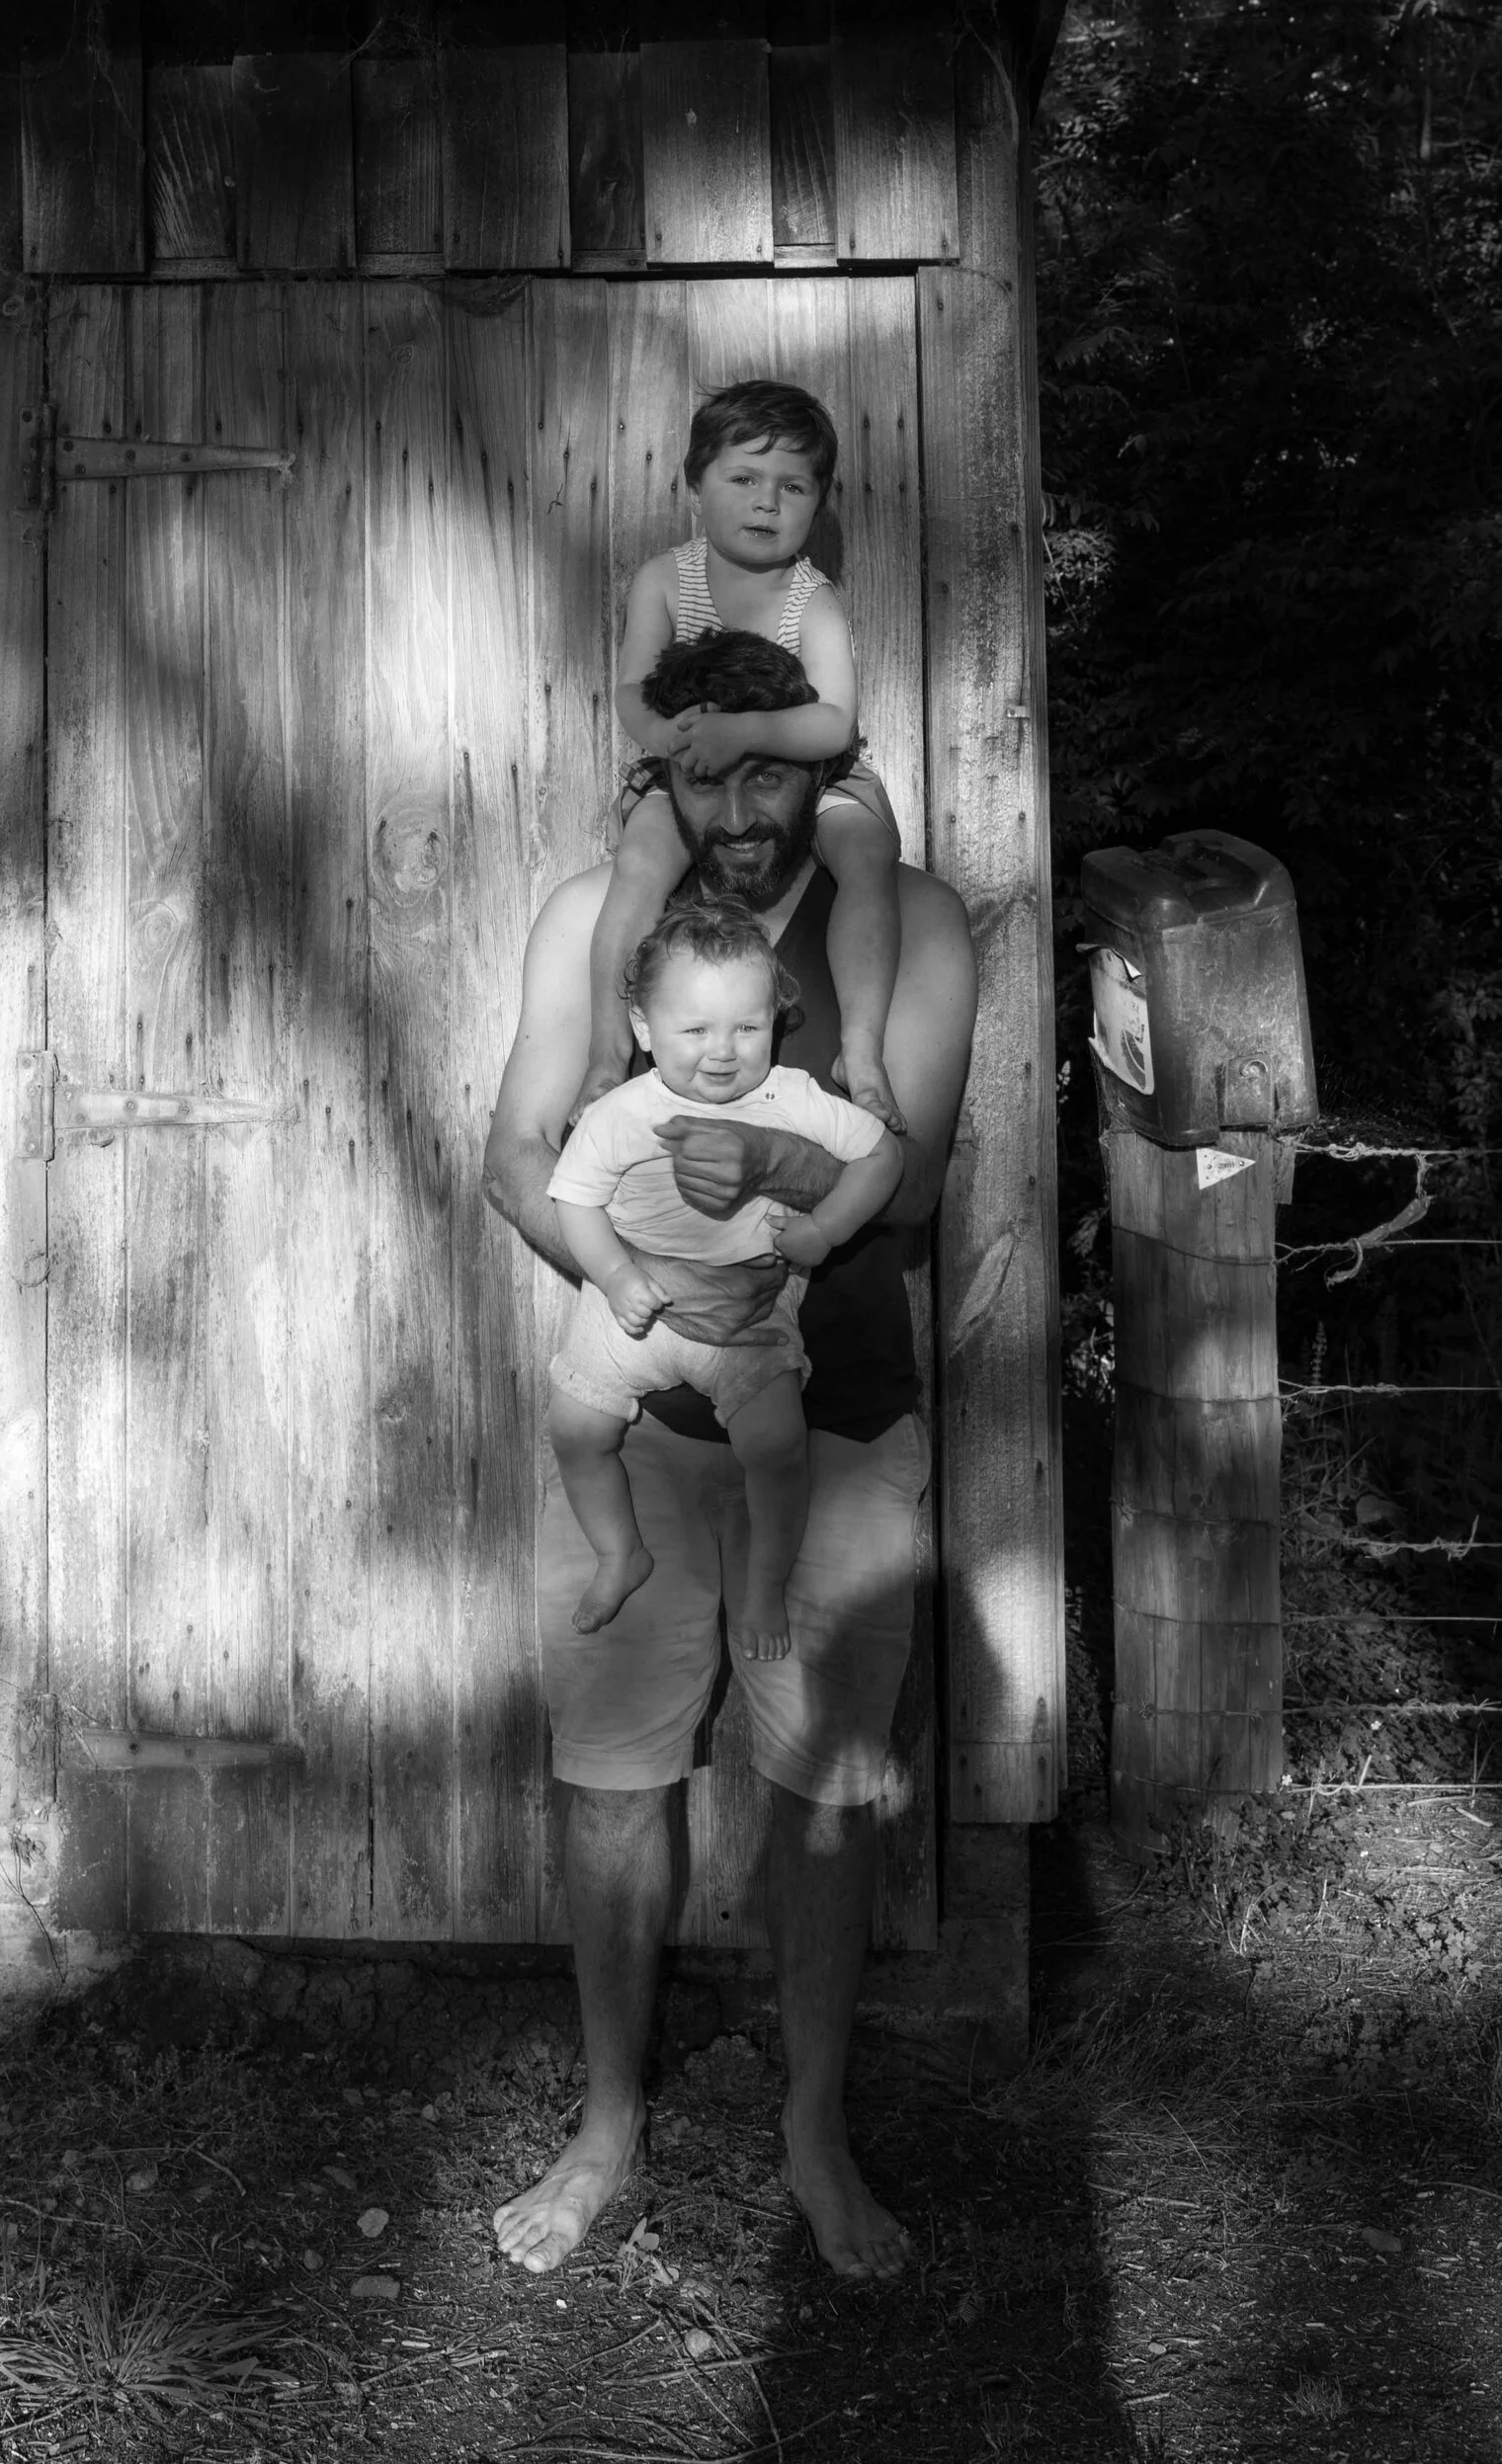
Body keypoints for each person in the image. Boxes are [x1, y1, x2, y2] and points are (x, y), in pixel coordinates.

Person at [483, 627, 978, 2286]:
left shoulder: (903, 923)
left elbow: (901, 1186)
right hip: (645, 1433)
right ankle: (609, 2125)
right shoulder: (593, 928)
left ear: (821, 762)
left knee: (824, 1791)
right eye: (701, 771)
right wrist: (658, 1311)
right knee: (614, 1786)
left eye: (770, 764)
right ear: (660, 777)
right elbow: (513, 1159)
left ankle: (812, 2133)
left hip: (836, 1431)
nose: (737, 803)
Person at [546, 900, 900, 1649]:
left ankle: (763, 1590)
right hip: (626, 1307)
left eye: (747, 1026)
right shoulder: (622, 1111)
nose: (723, 1050)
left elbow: (882, 1157)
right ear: (643, 1029)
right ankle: (620, 1553)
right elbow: (574, 1200)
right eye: (695, 1028)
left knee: (776, 1449)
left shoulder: (794, 1099)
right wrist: (612, 1275)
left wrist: (823, 1229)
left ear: (776, 1019)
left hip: (748, 1319)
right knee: (577, 1430)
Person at [583, 380, 904, 1130]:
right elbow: (632, 689)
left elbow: (831, 722)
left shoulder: (812, 598)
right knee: (637, 867)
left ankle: (860, 1046)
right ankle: (605, 1052)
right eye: (744, 479)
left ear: (817, 504)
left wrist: (750, 733)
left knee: (865, 856)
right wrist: (665, 741)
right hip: (688, 765)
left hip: (811, 773)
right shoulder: (665, 580)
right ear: (696, 486)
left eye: (793, 486)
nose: (767, 502)